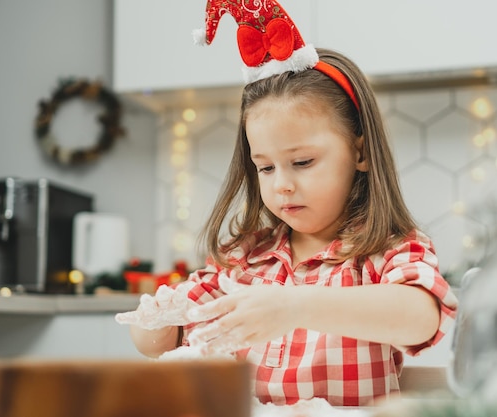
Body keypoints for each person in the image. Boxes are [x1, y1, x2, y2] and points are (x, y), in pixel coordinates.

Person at [117, 0, 457, 407]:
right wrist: (157, 320)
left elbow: (419, 318)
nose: (282, 185)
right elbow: (159, 343)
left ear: (360, 153)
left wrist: (294, 305)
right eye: (265, 168)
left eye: (302, 162)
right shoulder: (245, 259)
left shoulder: (388, 249)